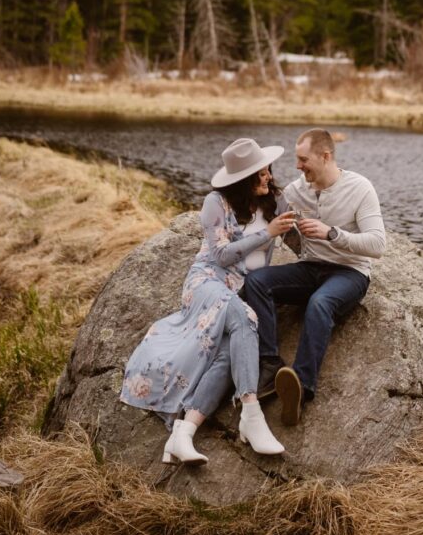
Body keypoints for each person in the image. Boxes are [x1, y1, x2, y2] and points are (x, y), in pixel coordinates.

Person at [120, 137, 296, 465]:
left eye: (268, 170)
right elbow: (221, 254)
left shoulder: (277, 201)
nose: (269, 177)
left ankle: (182, 435)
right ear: (243, 180)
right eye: (260, 173)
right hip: (208, 283)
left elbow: (300, 225)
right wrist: (267, 233)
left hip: (240, 294)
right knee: (246, 318)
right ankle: (251, 414)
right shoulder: (216, 203)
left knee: (230, 356)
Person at [243, 128, 385, 426]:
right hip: (310, 268)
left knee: (319, 304)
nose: (298, 166)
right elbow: (263, 200)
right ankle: (269, 363)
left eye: (303, 159)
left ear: (325, 156)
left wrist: (331, 233)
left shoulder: (360, 187)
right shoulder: (296, 191)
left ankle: (302, 388)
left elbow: (377, 245)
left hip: (350, 273)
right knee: (257, 282)